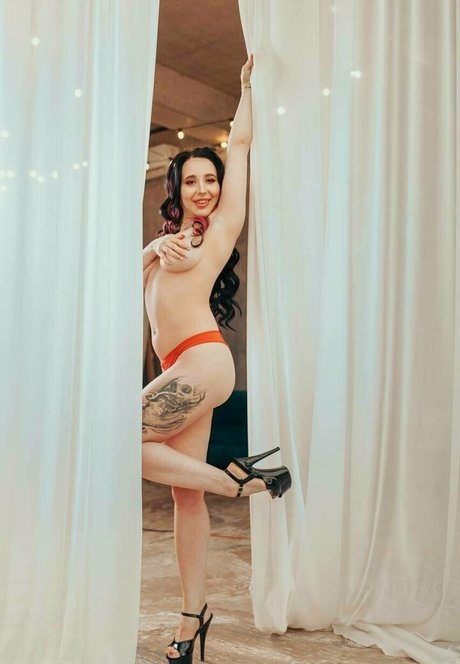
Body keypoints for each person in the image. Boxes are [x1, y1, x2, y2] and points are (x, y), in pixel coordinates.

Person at [141, 55, 292, 664]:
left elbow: (244, 143)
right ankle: (191, 618)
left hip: (203, 363)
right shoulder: (165, 247)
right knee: (185, 498)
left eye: (211, 179)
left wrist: (246, 88)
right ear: (176, 190)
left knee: (111, 438)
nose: (204, 189)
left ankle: (238, 481)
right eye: (192, 182)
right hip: (178, 368)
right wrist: (152, 250)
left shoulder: (221, 230)